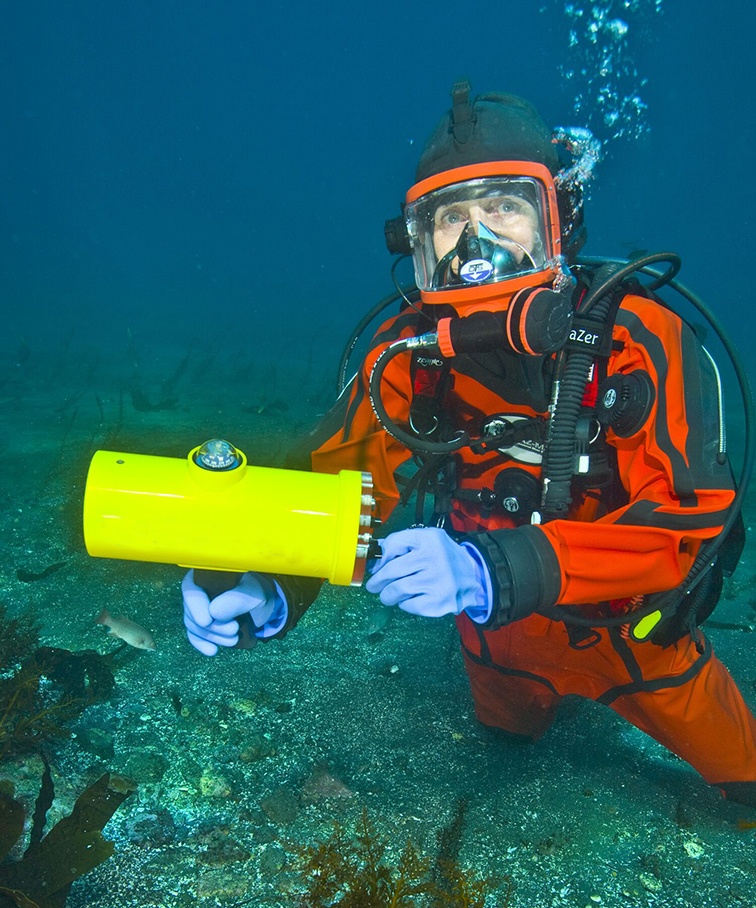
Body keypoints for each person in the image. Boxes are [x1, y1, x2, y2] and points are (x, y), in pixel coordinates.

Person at [182, 81, 756, 808]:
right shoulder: (407, 353)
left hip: (638, 640)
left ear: (558, 217)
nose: (475, 242)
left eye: (505, 206)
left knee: (747, 781)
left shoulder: (639, 338)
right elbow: (336, 482)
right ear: (418, 240)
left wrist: (490, 569)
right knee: (502, 756)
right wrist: (267, 581)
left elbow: (685, 526)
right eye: (450, 216)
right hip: (495, 644)